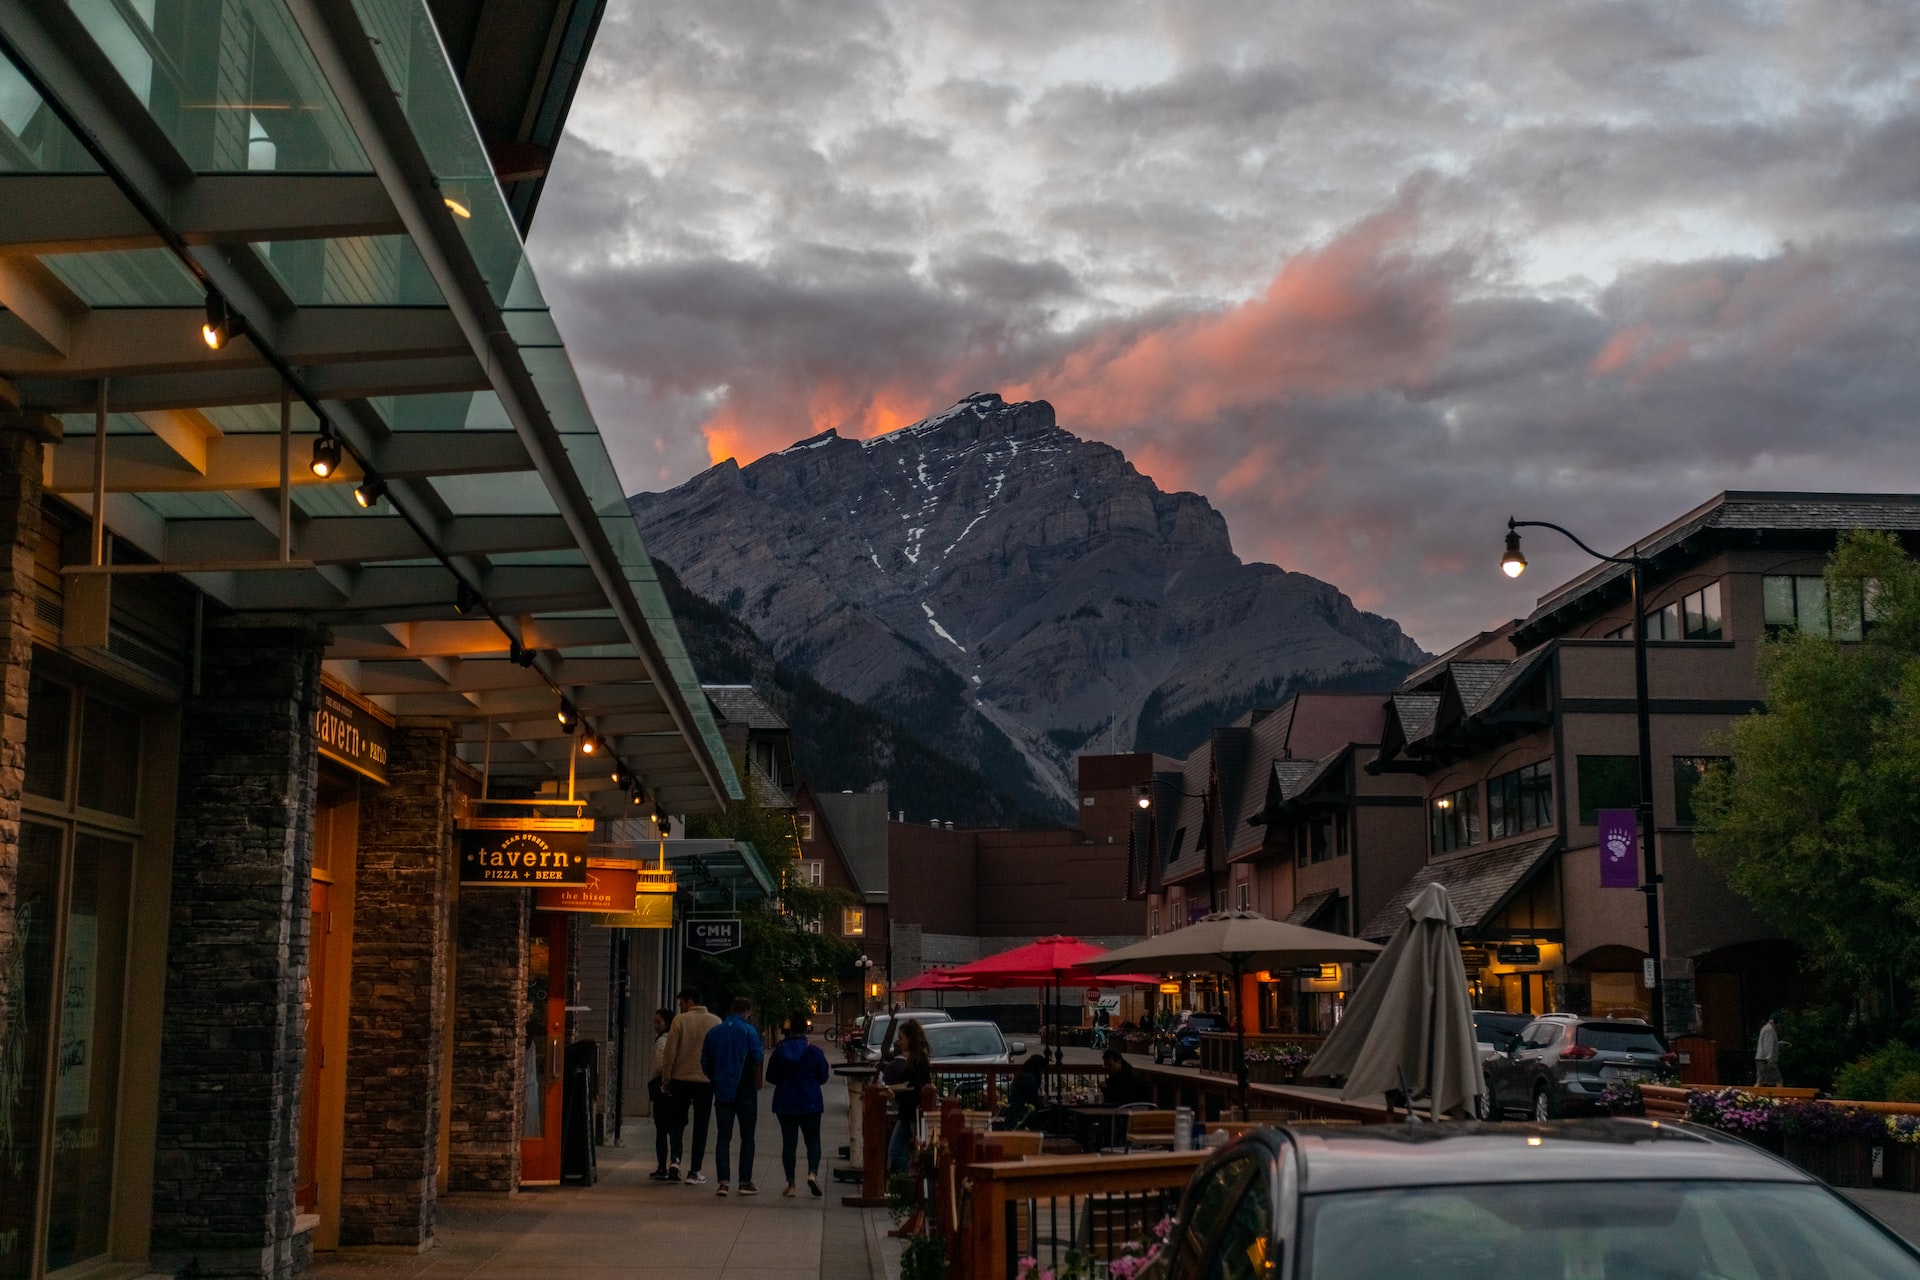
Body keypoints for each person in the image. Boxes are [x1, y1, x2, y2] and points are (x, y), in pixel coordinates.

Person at [701, 995, 765, 1196]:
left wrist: (715, 1078)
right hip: (745, 1090)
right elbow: (757, 1056)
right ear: (746, 1012)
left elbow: (705, 1060)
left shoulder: (715, 1032)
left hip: (722, 1091)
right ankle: (745, 1181)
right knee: (747, 1137)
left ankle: (723, 1182)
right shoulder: (748, 1031)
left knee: (723, 1138)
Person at [766, 1016, 831, 1197]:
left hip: (785, 1102)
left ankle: (791, 1184)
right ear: (806, 1030)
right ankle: (812, 1173)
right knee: (813, 1141)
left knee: (789, 1143)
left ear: (789, 1029)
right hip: (810, 1101)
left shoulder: (780, 1051)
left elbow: (771, 1077)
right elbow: (824, 1076)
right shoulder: (814, 1052)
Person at [661, 988, 721, 1185]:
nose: (680, 1006)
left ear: (690, 1001)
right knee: (701, 1125)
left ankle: (675, 1161)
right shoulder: (715, 1022)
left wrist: (666, 1079)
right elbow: (717, 1054)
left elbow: (670, 1052)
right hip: (705, 1080)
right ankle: (695, 1170)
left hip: (681, 1078)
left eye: (681, 1003)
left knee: (677, 1121)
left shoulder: (680, 1021)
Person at [887, 1018, 933, 1173]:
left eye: (901, 1038)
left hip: (913, 1113)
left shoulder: (919, 1061)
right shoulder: (914, 1060)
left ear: (910, 1039)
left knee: (910, 1151)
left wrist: (896, 1093)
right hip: (906, 1114)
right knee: (895, 1151)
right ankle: (913, 1174)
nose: (899, 1042)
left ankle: (914, 1174)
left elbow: (917, 1088)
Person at [646, 1008, 679, 1181]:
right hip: (675, 1089)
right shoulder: (675, 1039)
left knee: (661, 1129)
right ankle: (675, 1162)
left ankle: (661, 1167)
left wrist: (664, 1082)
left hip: (662, 1087)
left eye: (658, 1022)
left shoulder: (662, 1042)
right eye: (654, 1022)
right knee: (674, 1130)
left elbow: (661, 1065)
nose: (655, 1026)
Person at [1005, 1054, 1047, 1129]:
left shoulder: (1023, 1075)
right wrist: (1042, 1100)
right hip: (1021, 1112)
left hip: (1016, 1110)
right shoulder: (1028, 1079)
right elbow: (1034, 1099)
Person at [1755, 1012, 1788, 1086]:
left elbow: (1769, 1043)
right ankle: (1780, 1096)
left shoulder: (1767, 1028)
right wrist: (1770, 1060)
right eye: (1779, 1022)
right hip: (1766, 1060)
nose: (1780, 1025)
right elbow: (1768, 1046)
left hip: (1762, 1059)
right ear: (1775, 1022)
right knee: (1778, 1080)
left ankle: (1751, 1095)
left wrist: (1780, 1044)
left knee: (1762, 1081)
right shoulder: (1769, 1030)